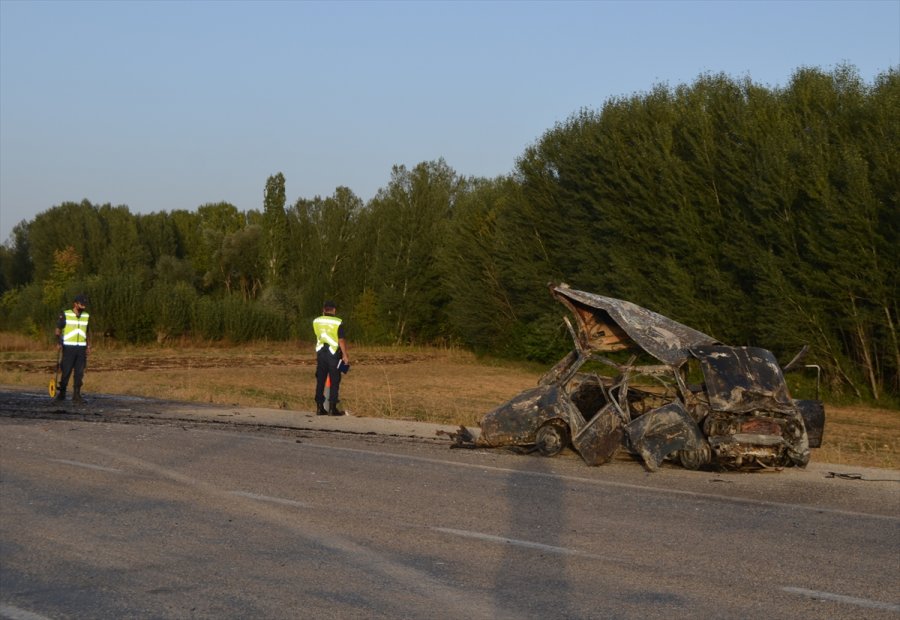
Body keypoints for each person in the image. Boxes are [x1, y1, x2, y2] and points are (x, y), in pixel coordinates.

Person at [313, 300, 349, 416]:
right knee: (335, 380)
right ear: (334, 310)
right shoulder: (338, 322)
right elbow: (341, 340)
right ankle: (332, 408)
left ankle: (319, 407)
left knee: (320, 380)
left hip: (321, 353)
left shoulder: (316, 321)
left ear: (323, 310)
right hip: (333, 353)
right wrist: (345, 355)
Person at [54, 294, 91, 403]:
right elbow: (57, 329)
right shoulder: (66, 314)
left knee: (79, 372)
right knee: (66, 371)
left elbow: (87, 331)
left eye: (85, 304)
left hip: (81, 348)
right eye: (81, 304)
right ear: (75, 304)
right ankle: (62, 394)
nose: (84, 306)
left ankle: (76, 395)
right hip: (68, 347)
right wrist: (59, 342)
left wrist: (88, 345)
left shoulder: (86, 316)